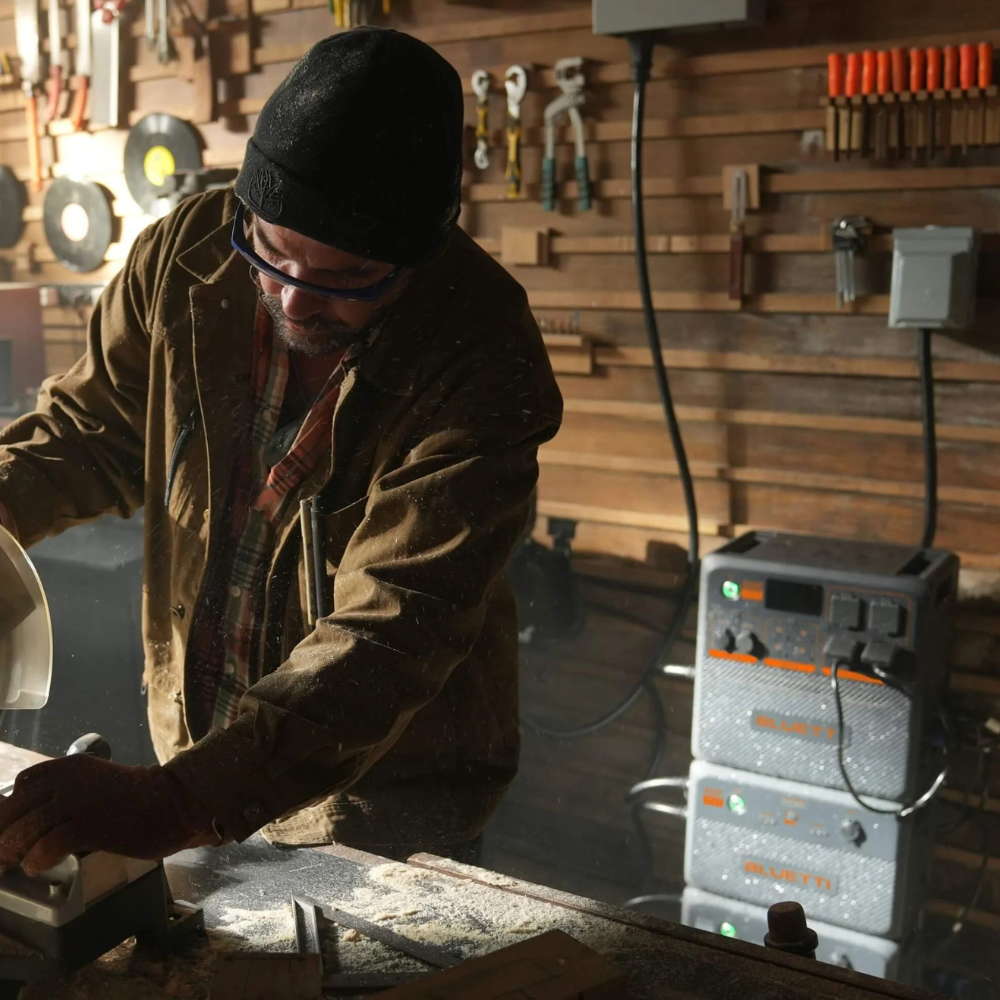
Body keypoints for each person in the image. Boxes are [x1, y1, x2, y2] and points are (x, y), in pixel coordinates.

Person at [0, 27, 562, 876]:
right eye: (270, 249)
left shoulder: (482, 351)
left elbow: (393, 624)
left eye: (345, 277)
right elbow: (89, 433)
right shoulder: (184, 255)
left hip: (379, 807)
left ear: (421, 251)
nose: (294, 298)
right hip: (197, 747)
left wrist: (177, 801)